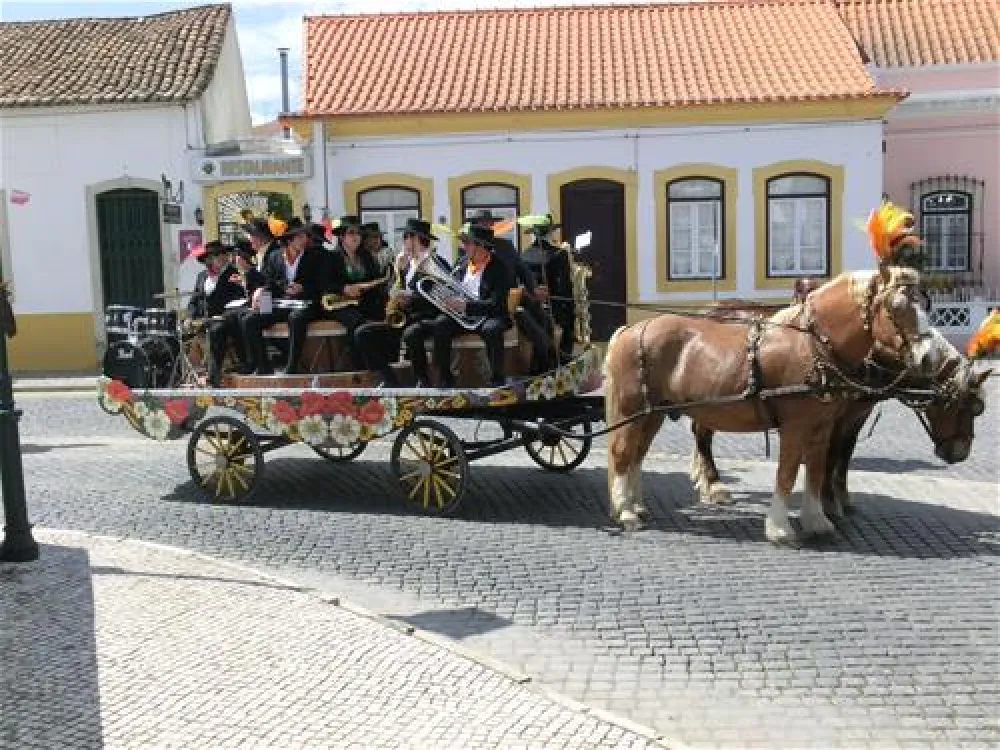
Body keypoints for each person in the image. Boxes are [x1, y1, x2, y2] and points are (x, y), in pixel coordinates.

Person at [356, 218, 451, 387]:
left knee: (411, 333)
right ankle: (389, 379)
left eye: (407, 237)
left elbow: (440, 297)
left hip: (425, 317)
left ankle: (423, 380)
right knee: (362, 333)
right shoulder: (404, 264)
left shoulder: (435, 263)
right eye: (405, 237)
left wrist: (411, 299)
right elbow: (391, 289)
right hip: (403, 318)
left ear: (417, 239)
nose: (404, 242)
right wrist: (398, 273)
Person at [469, 209, 551, 374]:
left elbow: (523, 270)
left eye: (490, 223)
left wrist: (533, 288)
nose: (489, 226)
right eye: (483, 224)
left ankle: (545, 359)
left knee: (541, 316)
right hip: (489, 303)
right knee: (522, 316)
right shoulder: (469, 251)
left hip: (513, 297)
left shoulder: (505, 246)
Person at [241, 218, 324, 375]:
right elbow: (269, 282)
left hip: (307, 303)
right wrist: (260, 291)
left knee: (296, 318)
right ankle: (263, 366)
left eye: (305, 236)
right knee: (249, 320)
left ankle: (292, 366)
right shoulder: (275, 256)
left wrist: (303, 288)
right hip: (282, 303)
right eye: (299, 236)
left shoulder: (315, 256)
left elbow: (322, 283)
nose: (304, 239)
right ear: (289, 239)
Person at [432, 223, 511, 388]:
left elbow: (496, 304)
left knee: (492, 329)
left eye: (467, 243)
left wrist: (466, 306)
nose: (464, 246)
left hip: (489, 316)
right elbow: (451, 287)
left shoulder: (500, 268)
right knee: (440, 324)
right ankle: (446, 378)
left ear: (481, 246)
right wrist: (447, 300)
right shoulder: (461, 263)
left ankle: (497, 379)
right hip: (463, 316)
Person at [322, 215, 388, 370]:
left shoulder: (366, 256)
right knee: (358, 322)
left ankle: (383, 362)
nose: (356, 237)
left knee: (382, 317)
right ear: (342, 236)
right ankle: (360, 366)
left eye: (358, 233)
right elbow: (324, 283)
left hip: (362, 301)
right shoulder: (331, 257)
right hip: (338, 304)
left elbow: (375, 279)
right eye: (351, 233)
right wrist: (344, 288)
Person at [185, 241, 246, 387]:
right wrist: (190, 316)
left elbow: (239, 300)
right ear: (209, 259)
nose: (221, 258)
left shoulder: (233, 273)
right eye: (216, 255)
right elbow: (194, 300)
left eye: (222, 254)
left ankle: (213, 377)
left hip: (225, 319)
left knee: (216, 330)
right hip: (204, 319)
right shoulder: (202, 276)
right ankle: (195, 373)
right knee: (184, 333)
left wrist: (223, 315)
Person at [520, 214, 576, 363]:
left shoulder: (523, 255)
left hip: (530, 308)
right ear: (550, 232)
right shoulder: (559, 254)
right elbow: (564, 287)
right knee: (569, 323)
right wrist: (571, 310)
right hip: (553, 307)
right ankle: (564, 361)